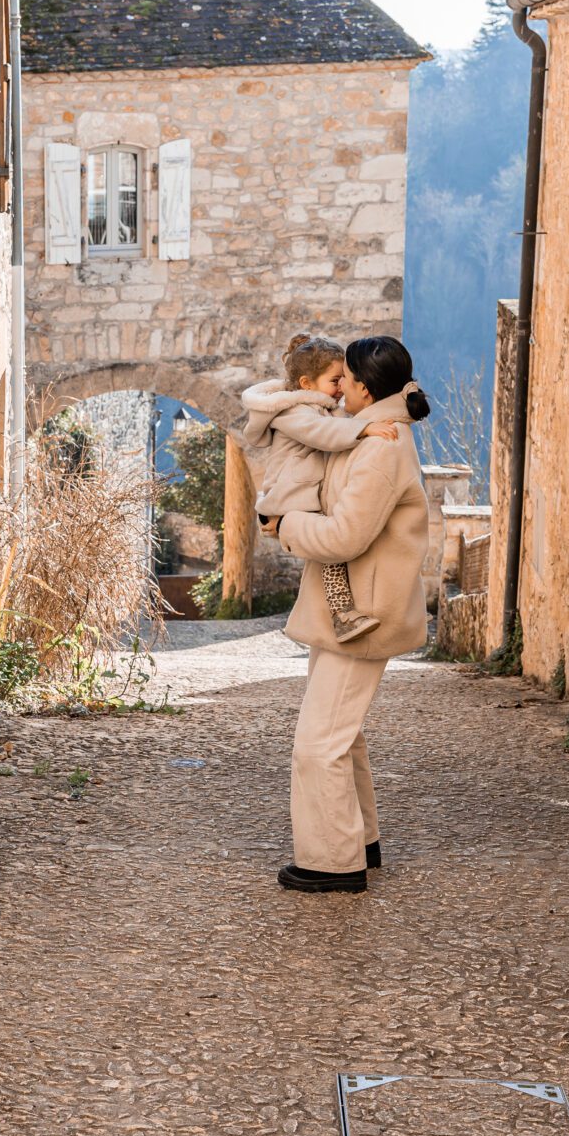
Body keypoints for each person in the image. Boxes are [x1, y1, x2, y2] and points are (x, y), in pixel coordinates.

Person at [262, 336, 430, 895]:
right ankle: (361, 842)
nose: (337, 391)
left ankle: (334, 862)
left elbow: (343, 537)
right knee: (343, 734)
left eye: (343, 381)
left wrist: (284, 526)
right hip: (347, 610)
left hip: (363, 613)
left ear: (363, 387)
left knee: (319, 743)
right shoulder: (373, 436)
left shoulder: (382, 448)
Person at [239, 332, 398, 644]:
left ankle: (336, 618)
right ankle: (342, 617)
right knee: (333, 555)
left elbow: (334, 423)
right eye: (334, 380)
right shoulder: (293, 413)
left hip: (300, 497)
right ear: (305, 384)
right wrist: (364, 427)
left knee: (331, 556)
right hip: (288, 500)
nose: (341, 389)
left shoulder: (318, 408)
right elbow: (324, 433)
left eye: (344, 380)